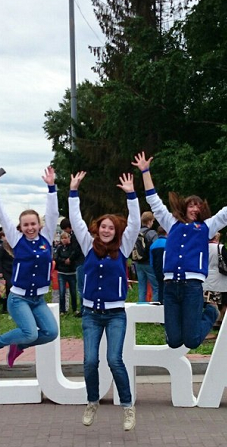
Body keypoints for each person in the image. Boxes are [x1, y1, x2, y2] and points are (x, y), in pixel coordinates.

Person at [132, 152, 227, 349]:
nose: (194, 209)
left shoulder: (206, 227)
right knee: (174, 341)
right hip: (170, 286)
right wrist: (145, 171)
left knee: (191, 340)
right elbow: (153, 201)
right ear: (184, 207)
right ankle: (192, 323)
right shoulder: (171, 223)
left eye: (197, 207)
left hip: (192, 286)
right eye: (190, 206)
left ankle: (211, 312)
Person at [69, 171, 139, 431]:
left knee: (114, 360)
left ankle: (128, 406)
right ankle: (92, 401)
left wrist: (131, 195)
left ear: (116, 231)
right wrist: (73, 191)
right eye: (103, 227)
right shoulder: (89, 245)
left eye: (111, 227)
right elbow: (75, 220)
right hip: (91, 315)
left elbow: (135, 224)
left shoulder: (123, 247)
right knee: (89, 361)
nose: (106, 230)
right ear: (97, 229)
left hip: (115, 314)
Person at [0, 166, 59, 368]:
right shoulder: (17, 240)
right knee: (30, 332)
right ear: (21, 227)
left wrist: (51, 188)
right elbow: (3, 216)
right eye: (26, 225)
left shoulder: (46, 238)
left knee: (51, 332)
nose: (30, 228)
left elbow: (53, 213)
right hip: (19, 298)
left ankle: (18, 346)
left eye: (33, 224)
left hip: (38, 299)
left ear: (39, 225)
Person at [202, 232, 227, 335]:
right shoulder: (220, 247)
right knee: (225, 301)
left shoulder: (202, 247)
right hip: (221, 278)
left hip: (207, 278)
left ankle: (213, 320)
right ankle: (223, 320)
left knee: (211, 301)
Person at [60, 218, 85, 316]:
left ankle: (83, 309)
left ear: (68, 227)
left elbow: (76, 250)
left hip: (80, 262)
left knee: (81, 288)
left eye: (65, 229)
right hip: (82, 262)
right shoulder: (77, 234)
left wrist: (70, 259)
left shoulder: (75, 236)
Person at [132, 211, 159, 302]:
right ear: (150, 221)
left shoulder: (136, 232)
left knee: (142, 287)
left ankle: (141, 305)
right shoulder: (152, 233)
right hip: (149, 263)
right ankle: (155, 306)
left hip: (138, 263)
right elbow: (156, 248)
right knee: (156, 287)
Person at [53, 231, 80, 315]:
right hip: (61, 273)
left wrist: (70, 259)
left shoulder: (73, 248)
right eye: (62, 238)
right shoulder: (59, 248)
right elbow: (56, 257)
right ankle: (62, 310)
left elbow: (75, 256)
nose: (64, 240)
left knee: (73, 293)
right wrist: (64, 260)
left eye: (65, 238)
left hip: (72, 273)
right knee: (62, 292)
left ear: (69, 238)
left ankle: (75, 309)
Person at [0, 231, 14, 313]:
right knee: (6, 289)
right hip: (5, 270)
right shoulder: (3, 247)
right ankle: (5, 306)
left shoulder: (14, 246)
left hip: (13, 270)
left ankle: (10, 306)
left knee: (11, 288)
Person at [149, 227, 167, 303]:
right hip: (167, 270)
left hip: (157, 270)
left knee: (160, 286)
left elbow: (151, 261)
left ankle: (160, 300)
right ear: (166, 233)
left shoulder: (153, 245)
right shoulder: (169, 243)